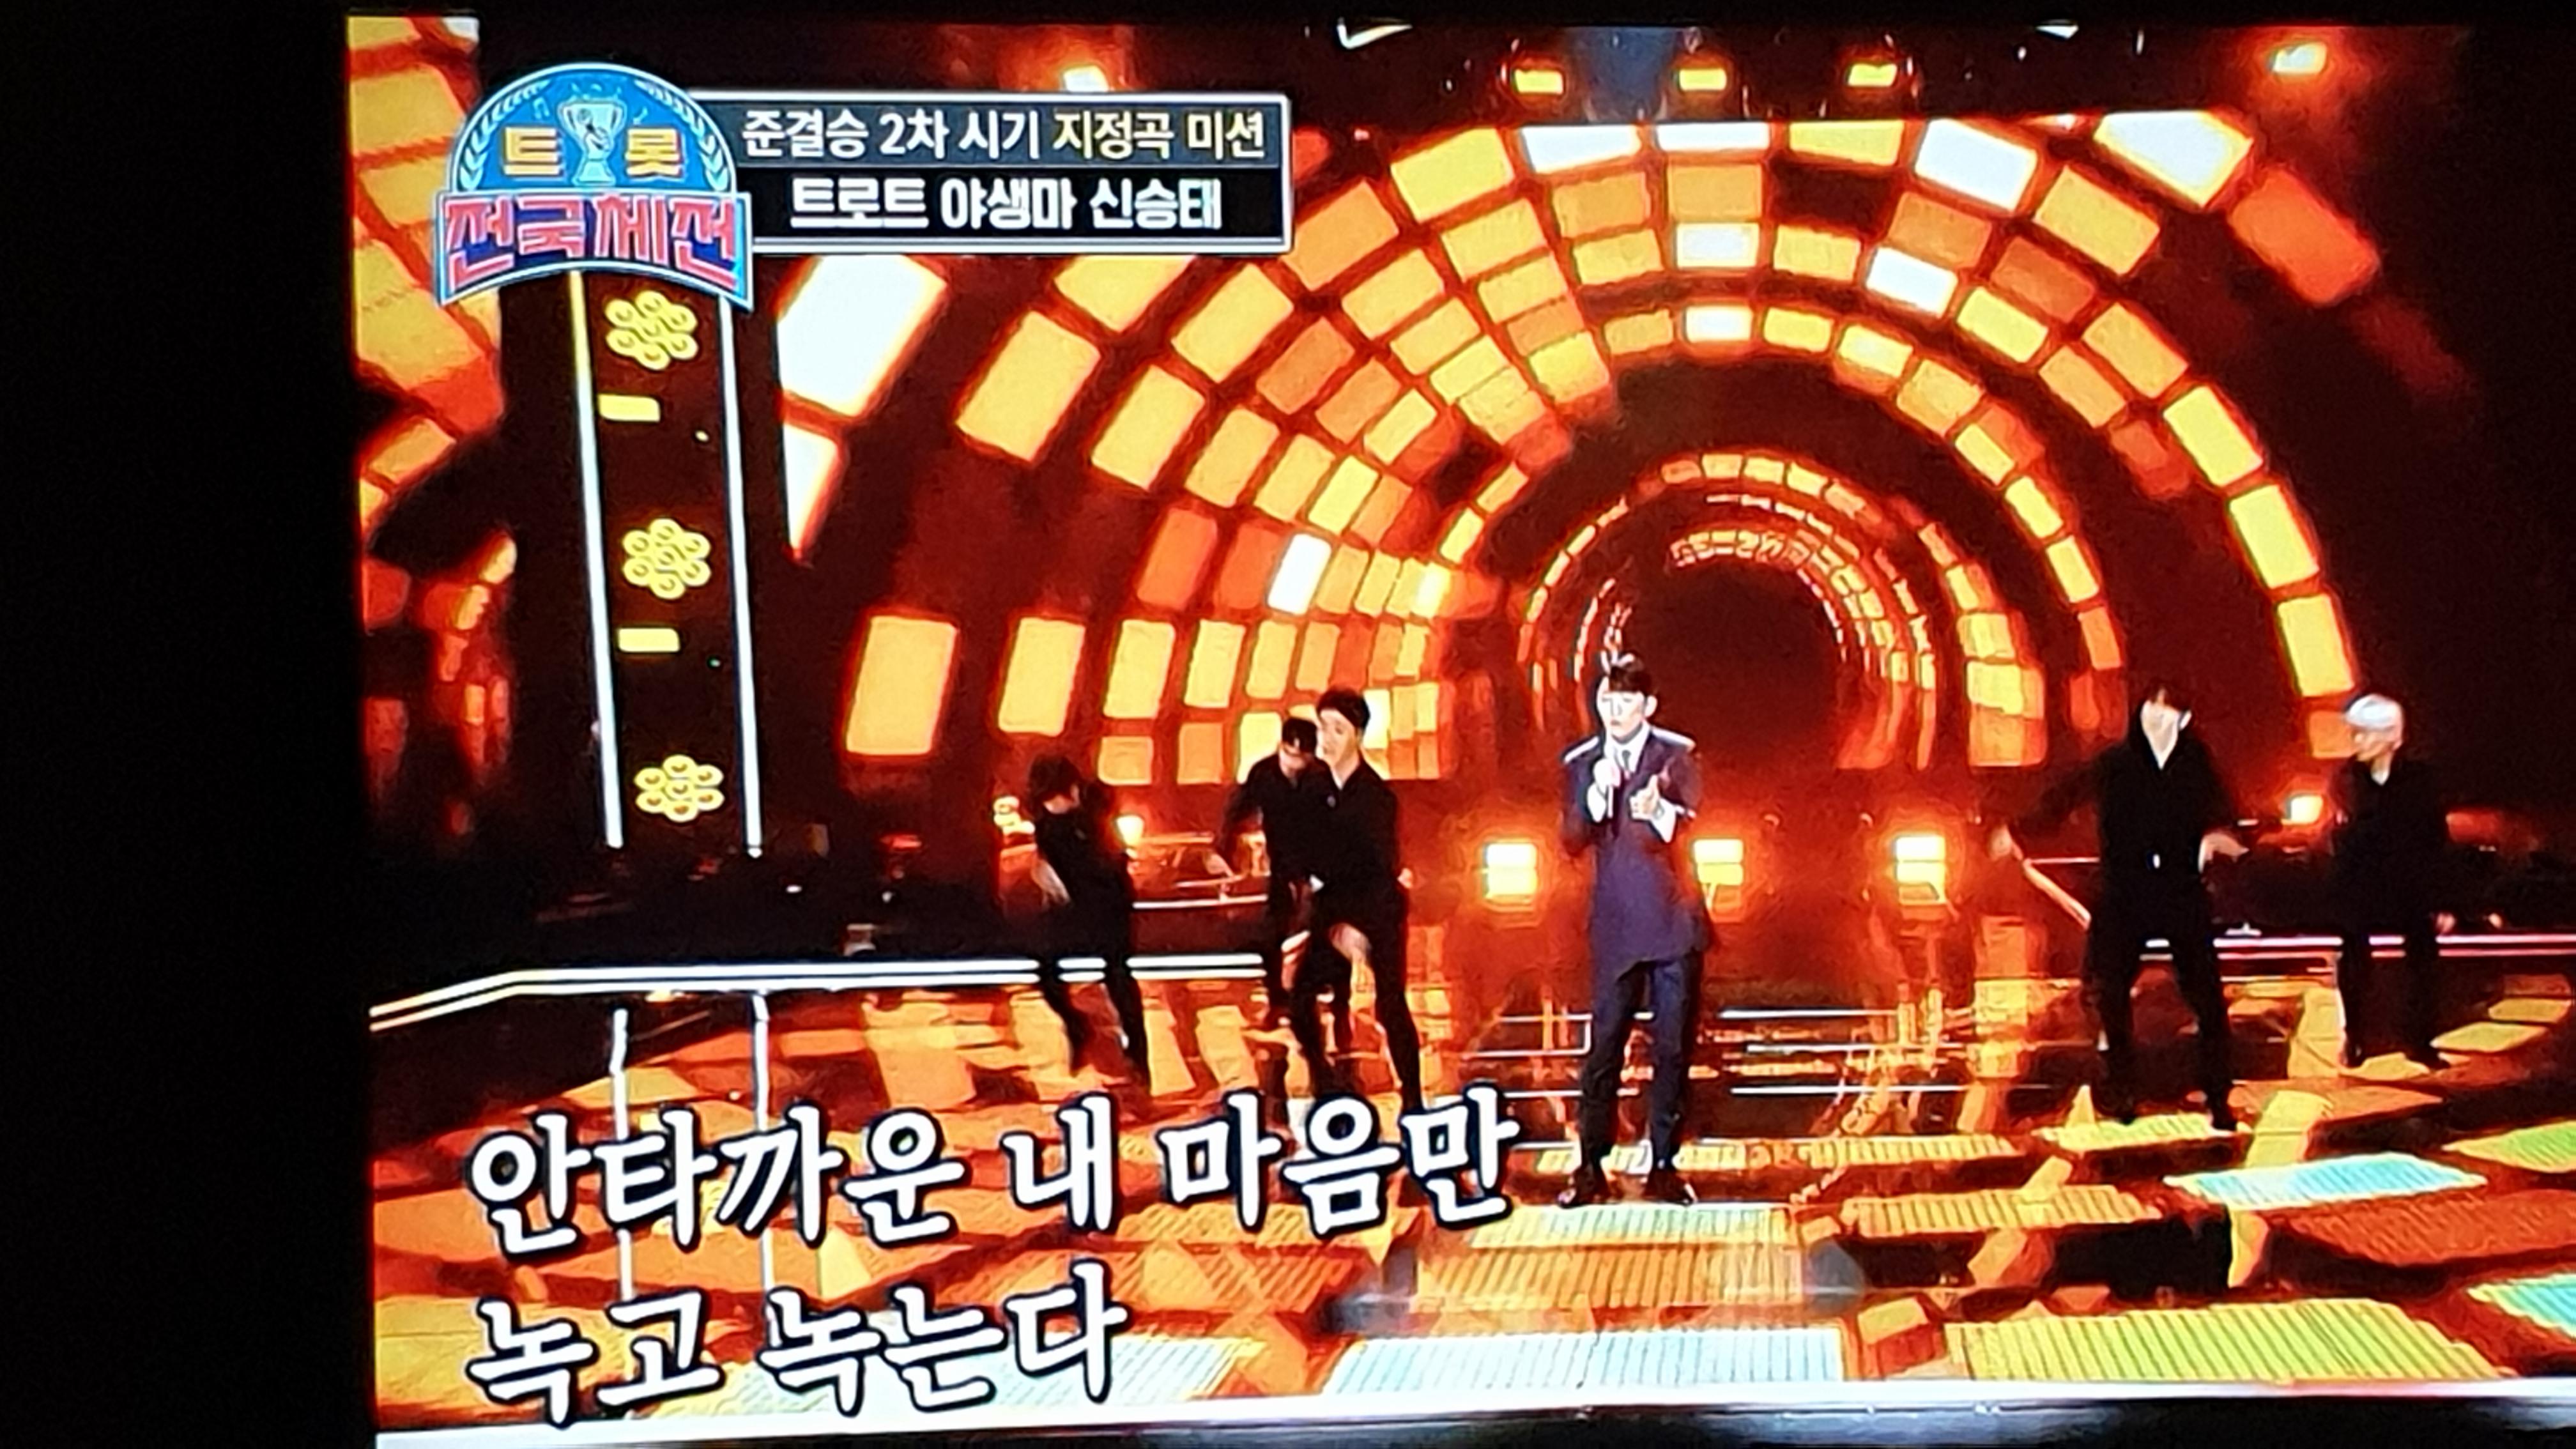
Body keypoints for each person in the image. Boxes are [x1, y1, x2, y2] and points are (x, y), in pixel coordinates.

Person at [1992, 682, 2249, 1130]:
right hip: (2125, 890)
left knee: (2206, 996)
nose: (2156, 721)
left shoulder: (2196, 765)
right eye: (2151, 711)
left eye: (2166, 714)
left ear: (2183, 720)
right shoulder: (2117, 763)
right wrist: (2018, 831)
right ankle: (2122, 1086)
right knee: (2109, 992)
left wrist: (2221, 836)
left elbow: (2224, 811)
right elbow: (2065, 797)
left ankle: (2217, 1092)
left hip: (2180, 889)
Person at [1556, 657, 1713, 1208]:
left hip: (1673, 923)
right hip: (1617, 926)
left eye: (1626, 702)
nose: (1615, 711)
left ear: (1648, 706)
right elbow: (1571, 840)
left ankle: (1664, 1163)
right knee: (1603, 1049)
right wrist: (1597, 796)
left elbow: (1697, 822)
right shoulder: (1583, 762)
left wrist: (1661, 810)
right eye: (1608, 701)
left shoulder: (1677, 755)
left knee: (1672, 1049)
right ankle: (1589, 1165)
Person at [1291, 688, 1425, 1113]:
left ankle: (1413, 1096)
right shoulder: (1311, 790)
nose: (1327, 739)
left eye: (1338, 730)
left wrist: (1356, 928)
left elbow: (1381, 869)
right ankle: (1324, 1080)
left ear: (1359, 736)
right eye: (1323, 728)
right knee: (1300, 996)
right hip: (1332, 909)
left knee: (1390, 1003)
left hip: (1376, 909)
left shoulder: (1376, 797)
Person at [2328, 693, 2455, 1070]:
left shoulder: (2419, 780)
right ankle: (2356, 1037)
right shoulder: (2348, 780)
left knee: (2423, 957)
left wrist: (2443, 900)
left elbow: (2434, 839)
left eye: (2365, 733)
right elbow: (2346, 837)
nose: (2358, 741)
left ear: (2391, 737)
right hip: (2361, 884)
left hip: (2409, 883)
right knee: (2354, 956)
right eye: (2355, 733)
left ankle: (2421, 1040)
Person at [1218, 716, 1347, 1044]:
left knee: (1329, 930)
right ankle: (1277, 999)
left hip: (1321, 862)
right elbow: (1237, 812)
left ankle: (1339, 1002)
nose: (1295, 765)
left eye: (1302, 758)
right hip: (1283, 863)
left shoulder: (1321, 777)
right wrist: (1222, 848)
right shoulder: (1264, 774)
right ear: (1282, 748)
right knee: (1273, 933)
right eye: (1290, 756)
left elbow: (1341, 822)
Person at [1025, 755, 1151, 1087]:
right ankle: (1077, 1026)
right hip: (1073, 906)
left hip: (1109, 905)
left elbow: (1111, 860)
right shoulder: (1046, 823)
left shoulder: (1093, 814)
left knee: (1118, 976)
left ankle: (1137, 1052)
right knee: (1047, 971)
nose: (1055, 807)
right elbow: (1048, 859)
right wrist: (1047, 877)